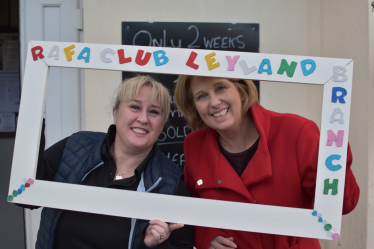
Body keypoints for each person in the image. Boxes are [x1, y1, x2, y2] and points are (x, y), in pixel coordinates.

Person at [174, 76, 360, 249]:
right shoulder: (194, 145)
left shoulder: (297, 132)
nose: (214, 102)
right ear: (194, 105)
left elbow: (343, 205)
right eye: (202, 96)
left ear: (240, 89)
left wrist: (335, 154)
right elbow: (192, 210)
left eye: (221, 87)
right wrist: (207, 237)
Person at [30, 75, 194, 249]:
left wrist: (153, 246)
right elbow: (24, 197)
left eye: (154, 111)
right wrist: (30, 123)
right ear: (115, 113)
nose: (143, 119)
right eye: (134, 107)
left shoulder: (172, 184)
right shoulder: (75, 147)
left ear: (162, 124)